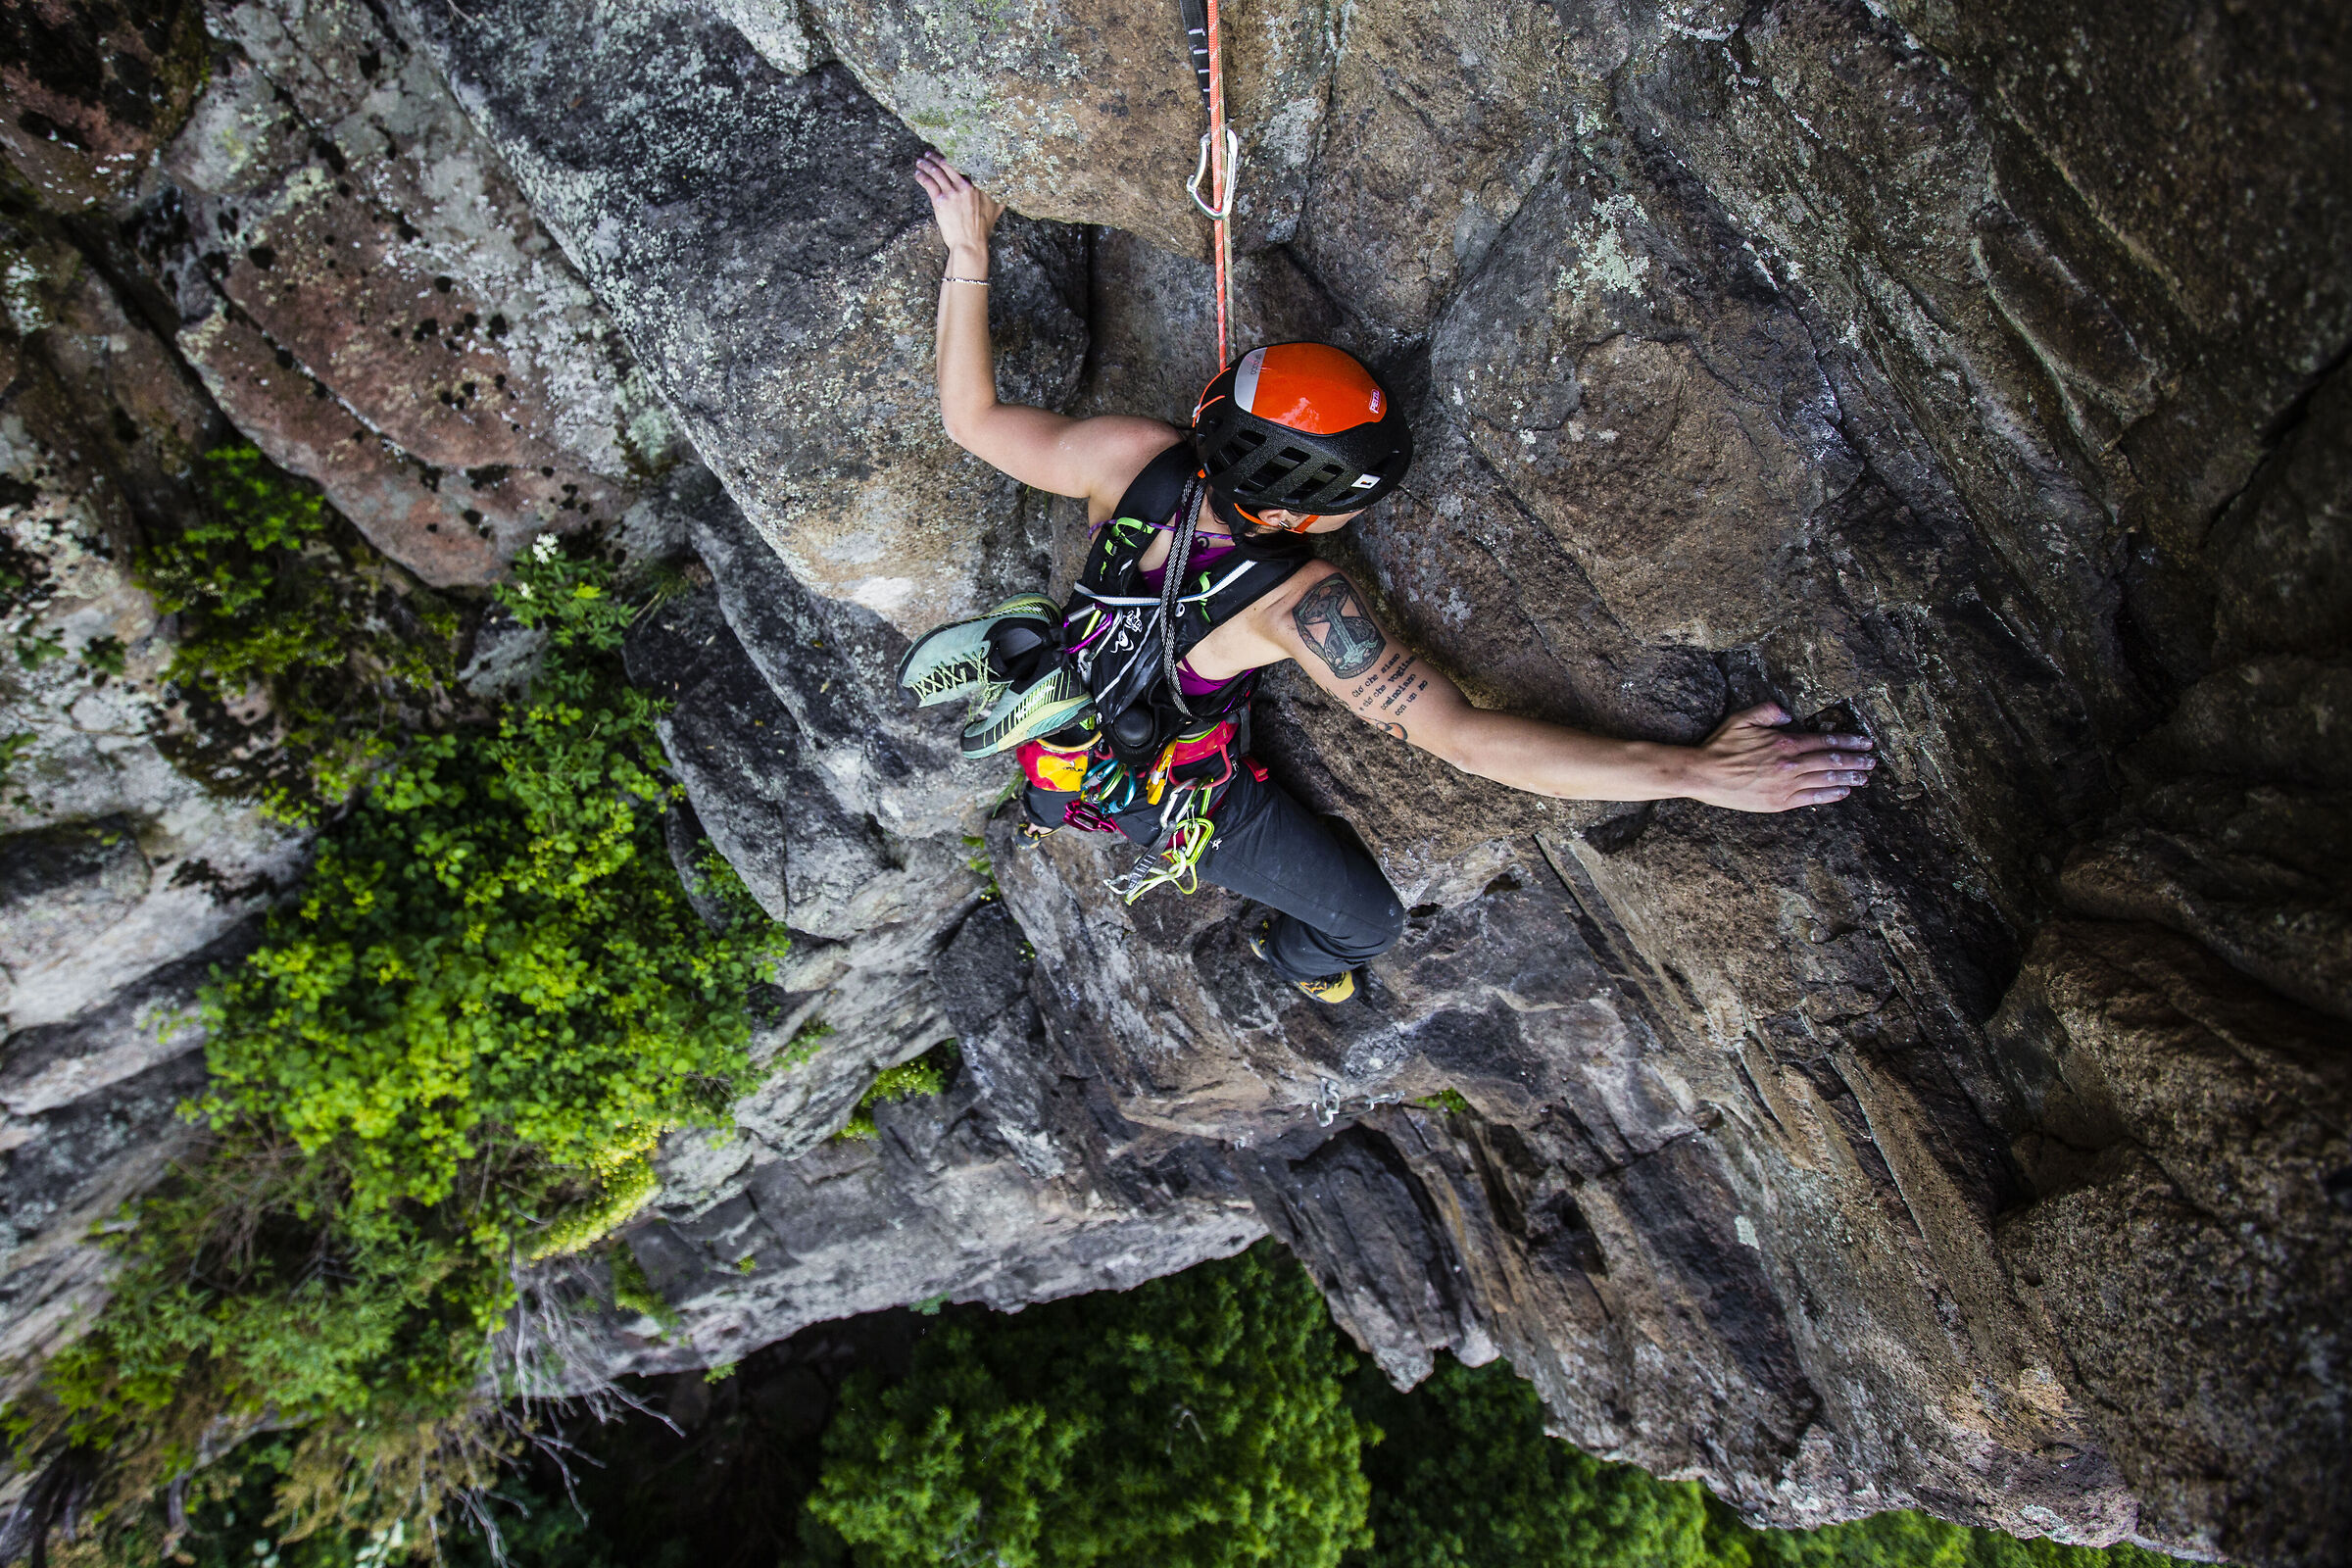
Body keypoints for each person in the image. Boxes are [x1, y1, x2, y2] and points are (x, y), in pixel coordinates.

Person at [905, 152, 1876, 1004]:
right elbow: (1466, 740)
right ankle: (1300, 963)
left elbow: (972, 421)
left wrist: (969, 251)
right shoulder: (1298, 605)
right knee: (1366, 925)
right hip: (1163, 792)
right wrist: (1694, 773)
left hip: (1080, 719)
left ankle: (1059, 790)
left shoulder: (1131, 456)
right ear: (1291, 518)